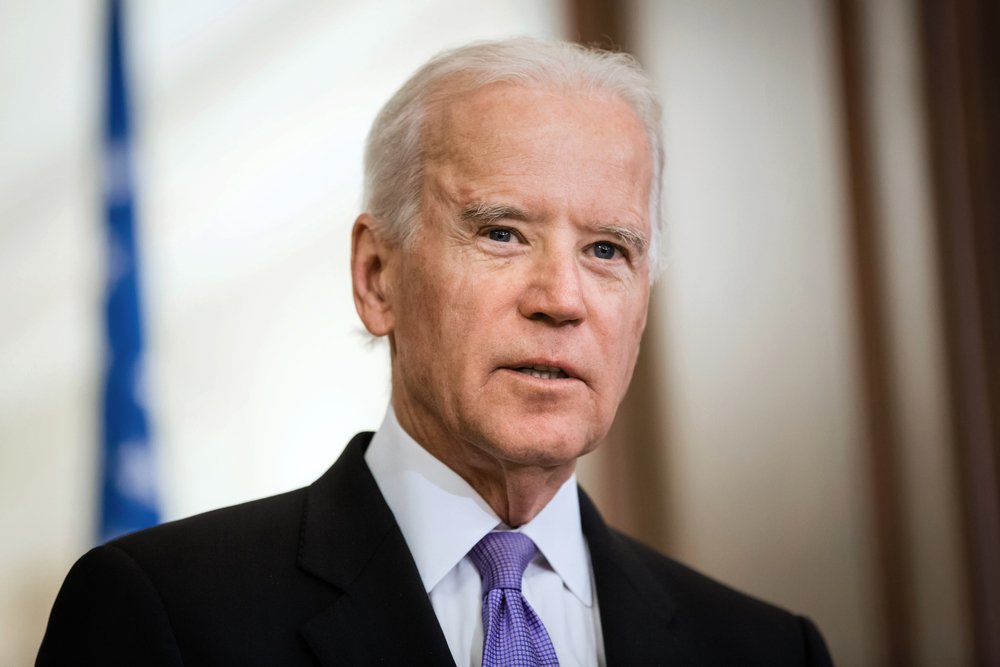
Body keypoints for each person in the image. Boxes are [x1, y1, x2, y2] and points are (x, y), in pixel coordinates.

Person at [37, 38, 833, 666]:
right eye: (501, 233)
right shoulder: (162, 614)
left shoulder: (767, 648)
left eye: (607, 250)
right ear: (376, 276)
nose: (561, 298)